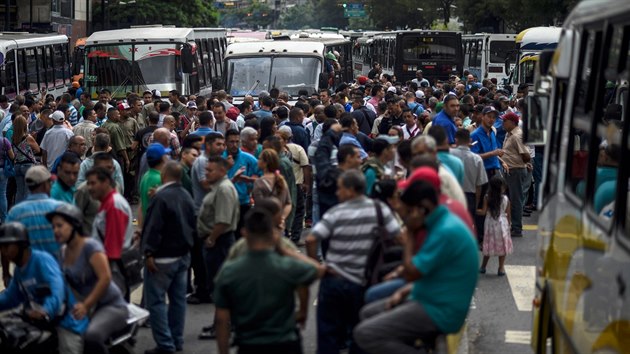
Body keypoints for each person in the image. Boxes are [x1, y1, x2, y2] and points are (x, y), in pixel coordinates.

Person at [353, 180, 478, 354]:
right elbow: (434, 273)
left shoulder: (445, 231)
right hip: (431, 296)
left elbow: (411, 272)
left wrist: (410, 234)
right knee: (368, 312)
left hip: (439, 309)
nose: (407, 217)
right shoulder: (440, 223)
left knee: (364, 333)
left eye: (410, 211)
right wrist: (405, 291)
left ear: (423, 208)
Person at [305, 170, 401, 354]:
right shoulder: (380, 210)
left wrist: (317, 266)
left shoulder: (335, 213)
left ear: (350, 190)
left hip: (333, 281)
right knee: (359, 334)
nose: (336, 193)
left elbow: (311, 239)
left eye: (340, 189)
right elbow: (399, 237)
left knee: (328, 336)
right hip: (362, 282)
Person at [214, 207, 325, 354]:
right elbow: (318, 269)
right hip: (285, 341)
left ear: (244, 233)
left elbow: (221, 319)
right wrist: (285, 250)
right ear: (272, 234)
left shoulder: (229, 271)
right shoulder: (286, 266)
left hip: (249, 344)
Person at [46, 204, 128, 354]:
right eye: (53, 227)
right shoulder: (63, 252)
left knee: (92, 336)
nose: (55, 231)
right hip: (86, 307)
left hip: (109, 306)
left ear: (74, 225)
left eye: (59, 226)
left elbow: (105, 278)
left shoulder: (90, 246)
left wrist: (85, 305)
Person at [0, 222, 87, 354]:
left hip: (66, 320)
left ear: (22, 245)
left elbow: (57, 290)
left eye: (7, 246)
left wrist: (46, 310)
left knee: (68, 349)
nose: (3, 251)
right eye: (1, 246)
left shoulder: (42, 260)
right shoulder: (20, 270)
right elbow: (10, 297)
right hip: (40, 322)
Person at [141, 161, 196, 354]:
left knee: (155, 301)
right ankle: (176, 339)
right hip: (182, 255)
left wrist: (148, 252)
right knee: (178, 299)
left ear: (165, 175)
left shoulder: (161, 198)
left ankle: (165, 344)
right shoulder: (185, 195)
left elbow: (154, 228)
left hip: (162, 258)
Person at [196, 156, 240, 340]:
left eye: (210, 170)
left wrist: (212, 238)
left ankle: (224, 325)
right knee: (217, 286)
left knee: (220, 287)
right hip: (216, 241)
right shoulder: (220, 187)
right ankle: (220, 323)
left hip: (219, 242)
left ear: (222, 171)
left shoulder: (223, 189)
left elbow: (223, 220)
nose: (207, 173)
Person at [87, 166, 134, 299]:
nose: (89, 188)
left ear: (106, 182)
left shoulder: (114, 205)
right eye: (88, 183)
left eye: (93, 183)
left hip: (113, 272)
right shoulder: (108, 202)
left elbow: (112, 250)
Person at [501, 112, 531, 237]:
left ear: (512, 122)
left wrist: (523, 164)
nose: (503, 124)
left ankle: (517, 227)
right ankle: (512, 225)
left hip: (516, 170)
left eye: (505, 121)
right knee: (510, 199)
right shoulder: (509, 134)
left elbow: (526, 155)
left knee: (516, 199)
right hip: (510, 170)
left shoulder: (516, 136)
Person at [476, 175, 512, 276]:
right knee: (503, 246)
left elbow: (483, 212)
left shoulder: (487, 197)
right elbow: (508, 213)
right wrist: (509, 224)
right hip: (502, 224)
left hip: (490, 224)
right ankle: (501, 268)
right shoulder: (505, 198)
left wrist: (474, 210)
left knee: (488, 244)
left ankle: (483, 267)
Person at [451, 128, 488, 218]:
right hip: (469, 197)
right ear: (470, 140)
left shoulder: (450, 154)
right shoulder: (477, 159)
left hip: (452, 195)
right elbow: (479, 185)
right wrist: (476, 203)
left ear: (456, 140)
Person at [138, 143, 169, 224]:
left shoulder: (146, 176)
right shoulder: (160, 179)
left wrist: (139, 227)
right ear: (163, 158)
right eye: (166, 154)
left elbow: (141, 205)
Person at [11, 116, 39, 203]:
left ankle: (18, 212)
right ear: (24, 125)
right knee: (28, 191)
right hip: (28, 166)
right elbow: (38, 150)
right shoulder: (28, 137)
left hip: (17, 165)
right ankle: (26, 212)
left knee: (19, 191)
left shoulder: (13, 138)